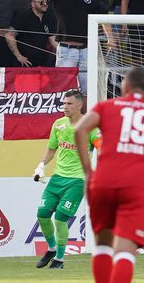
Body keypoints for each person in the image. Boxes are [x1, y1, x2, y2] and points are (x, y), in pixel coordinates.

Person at [72, 67, 144, 283]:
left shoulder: (106, 106)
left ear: (125, 86)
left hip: (103, 182)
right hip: (138, 186)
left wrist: (88, 171)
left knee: (103, 245)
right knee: (125, 251)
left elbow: (79, 130)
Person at [31, 89, 99, 269]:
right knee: (42, 215)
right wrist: (41, 166)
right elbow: (52, 148)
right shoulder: (58, 124)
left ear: (79, 105)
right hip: (57, 178)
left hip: (77, 180)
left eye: (68, 103)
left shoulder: (90, 126)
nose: (64, 106)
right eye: (63, 103)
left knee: (60, 219)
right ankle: (52, 248)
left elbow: (102, 147)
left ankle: (59, 260)